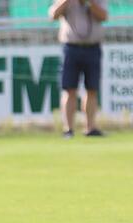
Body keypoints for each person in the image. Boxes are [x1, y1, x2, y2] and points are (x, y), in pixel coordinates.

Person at [49, 0, 108, 138]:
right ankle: (68, 129)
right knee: (69, 89)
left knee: (92, 89)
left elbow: (104, 16)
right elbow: (53, 15)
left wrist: (89, 3)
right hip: (71, 48)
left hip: (92, 47)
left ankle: (90, 127)